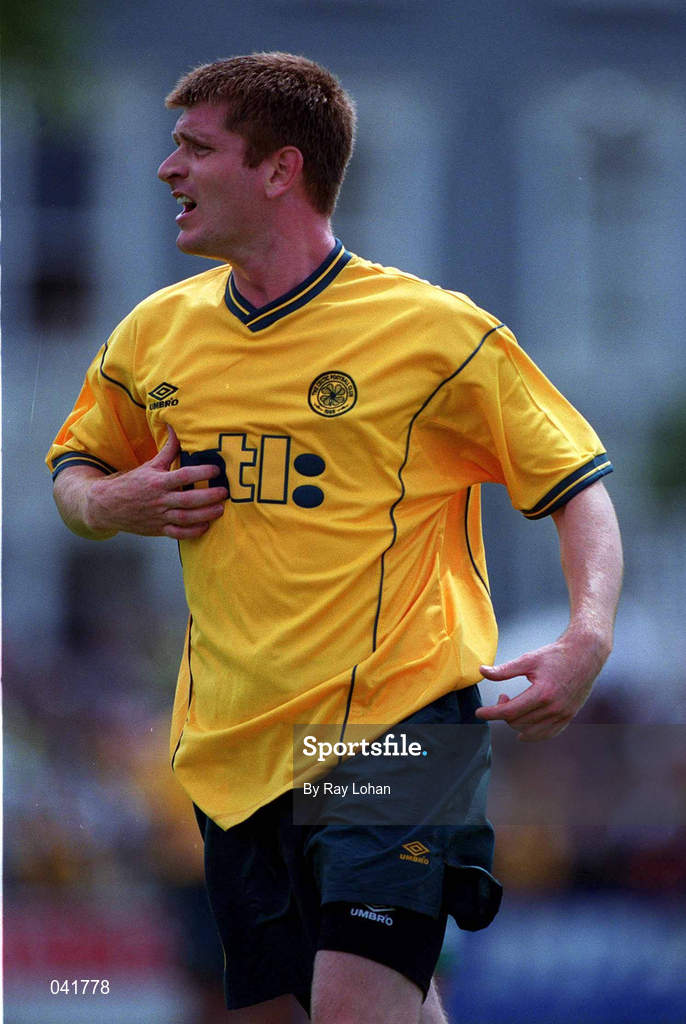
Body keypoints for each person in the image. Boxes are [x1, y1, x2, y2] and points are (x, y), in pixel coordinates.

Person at [47, 52, 623, 1024]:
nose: (165, 169)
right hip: (234, 740)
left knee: (356, 1003)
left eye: (195, 146)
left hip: (396, 724)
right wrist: (112, 504)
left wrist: (587, 632)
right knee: (315, 1012)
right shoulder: (155, 334)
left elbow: (577, 486)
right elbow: (76, 473)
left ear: (279, 169)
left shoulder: (436, 334)